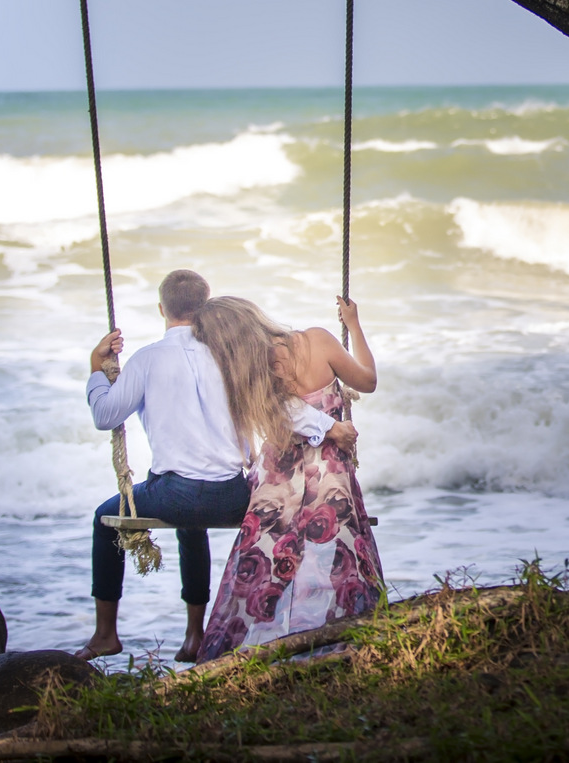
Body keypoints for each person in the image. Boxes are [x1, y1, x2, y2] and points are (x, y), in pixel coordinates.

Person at [192, 295, 382, 661]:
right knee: (334, 553)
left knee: (265, 557)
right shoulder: (317, 340)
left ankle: (254, 646)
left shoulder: (249, 375)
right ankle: (341, 639)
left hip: (277, 474)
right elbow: (368, 380)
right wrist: (354, 325)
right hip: (328, 468)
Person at [77, 269, 251, 663]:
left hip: (176, 496)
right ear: (205, 307)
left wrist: (96, 368)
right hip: (233, 495)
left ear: (162, 309)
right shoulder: (229, 357)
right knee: (192, 526)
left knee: (105, 518)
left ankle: (105, 634)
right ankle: (195, 635)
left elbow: (104, 416)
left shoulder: (147, 359)